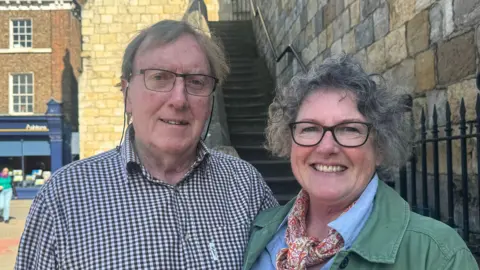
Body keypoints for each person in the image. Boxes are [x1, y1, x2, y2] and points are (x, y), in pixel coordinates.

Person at [16, 20, 277, 269]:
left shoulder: (247, 188)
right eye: (159, 78)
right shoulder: (63, 198)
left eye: (196, 82)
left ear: (210, 103)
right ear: (127, 94)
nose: (179, 99)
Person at [243, 55, 478, 270]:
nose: (326, 147)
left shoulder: (438, 256)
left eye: (349, 129)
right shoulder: (257, 231)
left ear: (380, 148)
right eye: (310, 128)